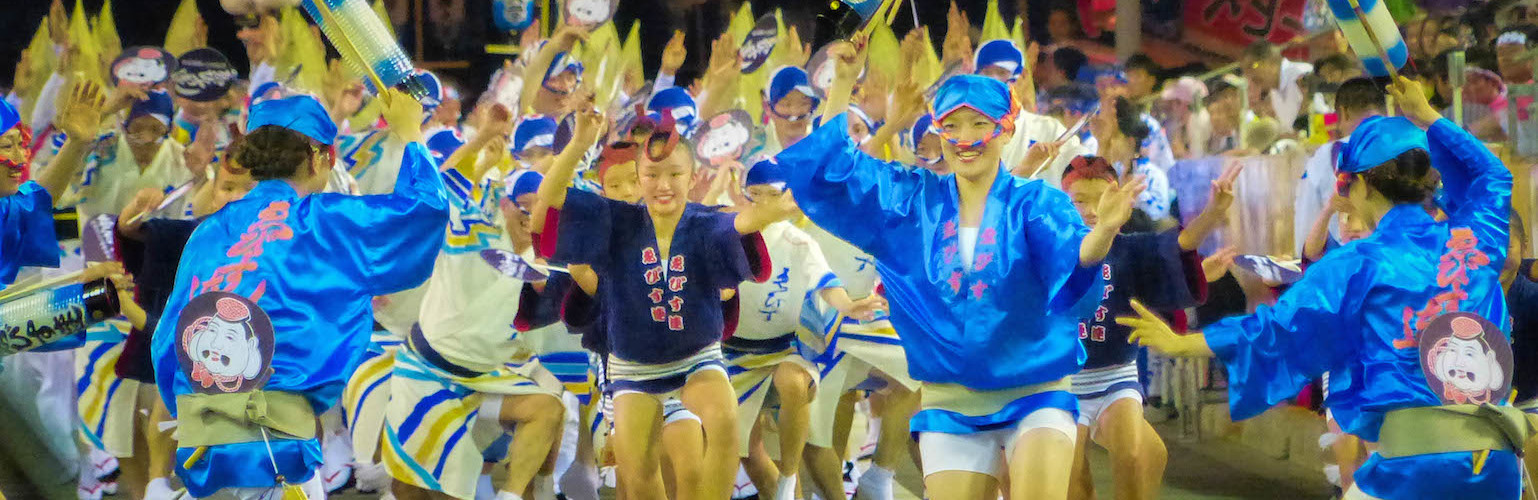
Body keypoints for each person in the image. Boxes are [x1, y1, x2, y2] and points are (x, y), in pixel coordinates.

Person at [1121, 77, 1529, 500]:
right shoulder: (1475, 241)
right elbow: (1492, 175)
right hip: (1496, 465)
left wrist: (1182, 343)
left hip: (1414, 471)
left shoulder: (1358, 262)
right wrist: (1427, 116)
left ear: (1362, 185)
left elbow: (1277, 326)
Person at [774, 70, 1144, 498]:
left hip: (1035, 393)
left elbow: (1070, 257)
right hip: (949, 403)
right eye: (951, 125)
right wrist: (840, 85)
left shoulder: (1037, 203)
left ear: (1005, 129)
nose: (964, 138)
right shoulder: (910, 201)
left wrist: (1102, 234)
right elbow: (830, 173)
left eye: (978, 124)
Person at [150, 90, 448, 498]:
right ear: (320, 157)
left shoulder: (207, 232)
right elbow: (425, 209)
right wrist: (411, 132)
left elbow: (166, 342)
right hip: (278, 452)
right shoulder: (327, 223)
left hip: (204, 447)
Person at [532, 107, 793, 500]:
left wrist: (767, 214)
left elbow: (737, 223)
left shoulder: (705, 221)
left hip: (696, 356)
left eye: (674, 174)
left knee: (723, 421)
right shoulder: (614, 221)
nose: (663, 184)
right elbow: (551, 199)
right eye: (652, 175)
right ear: (640, 179)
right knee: (638, 480)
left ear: (692, 178)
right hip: (632, 366)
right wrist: (580, 144)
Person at [1061, 156, 1236, 500]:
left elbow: (1177, 246)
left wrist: (1212, 215)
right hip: (1062, 381)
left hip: (1116, 376)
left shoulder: (1130, 248)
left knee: (1135, 455)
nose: (1091, 210)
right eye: (1079, 200)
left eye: (1101, 199)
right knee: (1073, 481)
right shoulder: (1049, 250)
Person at [725, 158, 881, 500]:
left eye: (772, 194)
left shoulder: (799, 242)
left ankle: (788, 477)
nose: (763, 202)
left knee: (793, 383)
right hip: (730, 353)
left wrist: (850, 305)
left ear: (789, 198)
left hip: (787, 347)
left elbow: (826, 283)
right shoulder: (727, 232)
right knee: (741, 452)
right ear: (743, 195)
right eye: (755, 195)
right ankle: (774, 489)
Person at [1295, 78, 1386, 257]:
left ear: (1343, 113)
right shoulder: (1409, 145)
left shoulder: (1327, 154)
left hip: (1345, 264)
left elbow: (1306, 223)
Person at [1241, 41, 1313, 132]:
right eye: (1245, 70)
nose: (1249, 75)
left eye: (1253, 66)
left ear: (1271, 62)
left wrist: (1311, 117)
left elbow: (1333, 116)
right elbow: (1292, 130)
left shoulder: (1303, 74)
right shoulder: (1274, 93)